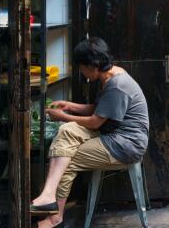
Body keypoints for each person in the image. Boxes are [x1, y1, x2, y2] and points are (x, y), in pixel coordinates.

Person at [31, 37, 149, 228]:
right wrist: (70, 106)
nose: (81, 71)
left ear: (92, 65)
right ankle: (48, 195)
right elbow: (99, 109)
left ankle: (55, 217)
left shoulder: (117, 84)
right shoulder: (110, 75)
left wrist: (62, 116)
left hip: (125, 143)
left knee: (67, 158)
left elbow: (95, 121)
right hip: (110, 132)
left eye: (81, 67)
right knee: (67, 131)